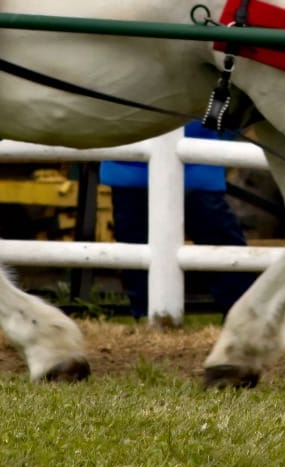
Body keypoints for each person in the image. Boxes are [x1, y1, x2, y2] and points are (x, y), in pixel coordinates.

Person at [99, 120, 255, 319]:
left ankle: (243, 318)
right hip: (181, 164)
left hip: (175, 165)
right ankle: (244, 318)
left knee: (139, 248)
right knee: (139, 251)